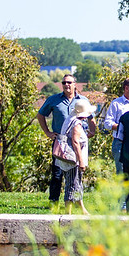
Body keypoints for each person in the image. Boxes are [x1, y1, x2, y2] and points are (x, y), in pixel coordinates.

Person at [37, 74, 96, 205]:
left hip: (77, 142)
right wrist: (47, 132)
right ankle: (54, 202)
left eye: (69, 82)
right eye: (64, 83)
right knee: (57, 173)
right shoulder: (54, 100)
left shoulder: (83, 100)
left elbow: (91, 117)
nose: (66, 85)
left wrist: (92, 132)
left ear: (75, 84)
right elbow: (40, 115)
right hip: (61, 141)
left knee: (76, 175)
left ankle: (75, 201)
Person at [55, 99, 94, 214]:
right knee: (72, 184)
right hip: (73, 159)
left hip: (67, 157)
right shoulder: (77, 123)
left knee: (77, 183)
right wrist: (81, 161)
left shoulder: (70, 119)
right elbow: (76, 142)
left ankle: (82, 210)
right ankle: (68, 213)